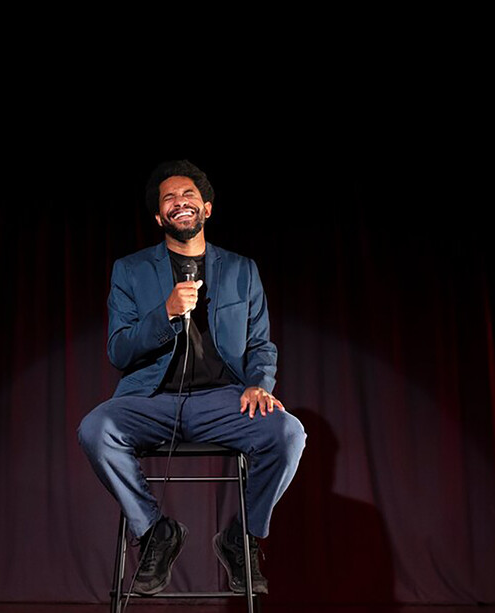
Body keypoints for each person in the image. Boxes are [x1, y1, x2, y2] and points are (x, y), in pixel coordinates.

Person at [78, 159, 306, 595]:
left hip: (224, 399)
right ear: (159, 217)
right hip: (150, 400)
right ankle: (156, 532)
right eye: (169, 199)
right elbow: (119, 350)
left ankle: (241, 538)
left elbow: (261, 344)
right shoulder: (130, 270)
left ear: (206, 208)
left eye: (188, 196)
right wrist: (163, 313)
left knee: (288, 433)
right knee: (95, 428)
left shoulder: (243, 269)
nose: (179, 203)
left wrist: (260, 383)